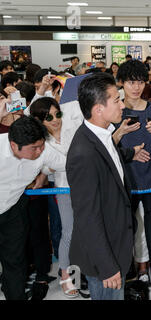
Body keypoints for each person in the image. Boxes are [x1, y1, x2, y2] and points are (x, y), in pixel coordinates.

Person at [66, 72, 149, 300]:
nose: (122, 105)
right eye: (116, 100)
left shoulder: (101, 135)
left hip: (117, 242)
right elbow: (87, 217)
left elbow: (110, 159)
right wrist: (107, 266)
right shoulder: (83, 153)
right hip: (104, 255)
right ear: (98, 109)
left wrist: (131, 152)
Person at [114, 60, 151, 300]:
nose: (135, 87)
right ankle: (128, 283)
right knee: (125, 235)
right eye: (130, 82)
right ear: (122, 83)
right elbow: (107, 148)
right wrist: (121, 135)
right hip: (125, 182)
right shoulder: (114, 110)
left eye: (139, 82)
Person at [0, 114, 66, 300]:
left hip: (13, 210)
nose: (39, 151)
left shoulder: (44, 150)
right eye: (34, 148)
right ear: (14, 145)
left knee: (15, 261)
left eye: (41, 146)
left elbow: (69, 165)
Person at [29, 97, 84, 298]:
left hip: (87, 186)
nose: (55, 120)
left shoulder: (75, 124)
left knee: (88, 229)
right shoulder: (41, 142)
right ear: (39, 120)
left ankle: (85, 273)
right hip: (64, 189)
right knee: (68, 232)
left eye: (57, 114)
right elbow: (45, 167)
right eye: (48, 117)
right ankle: (65, 275)